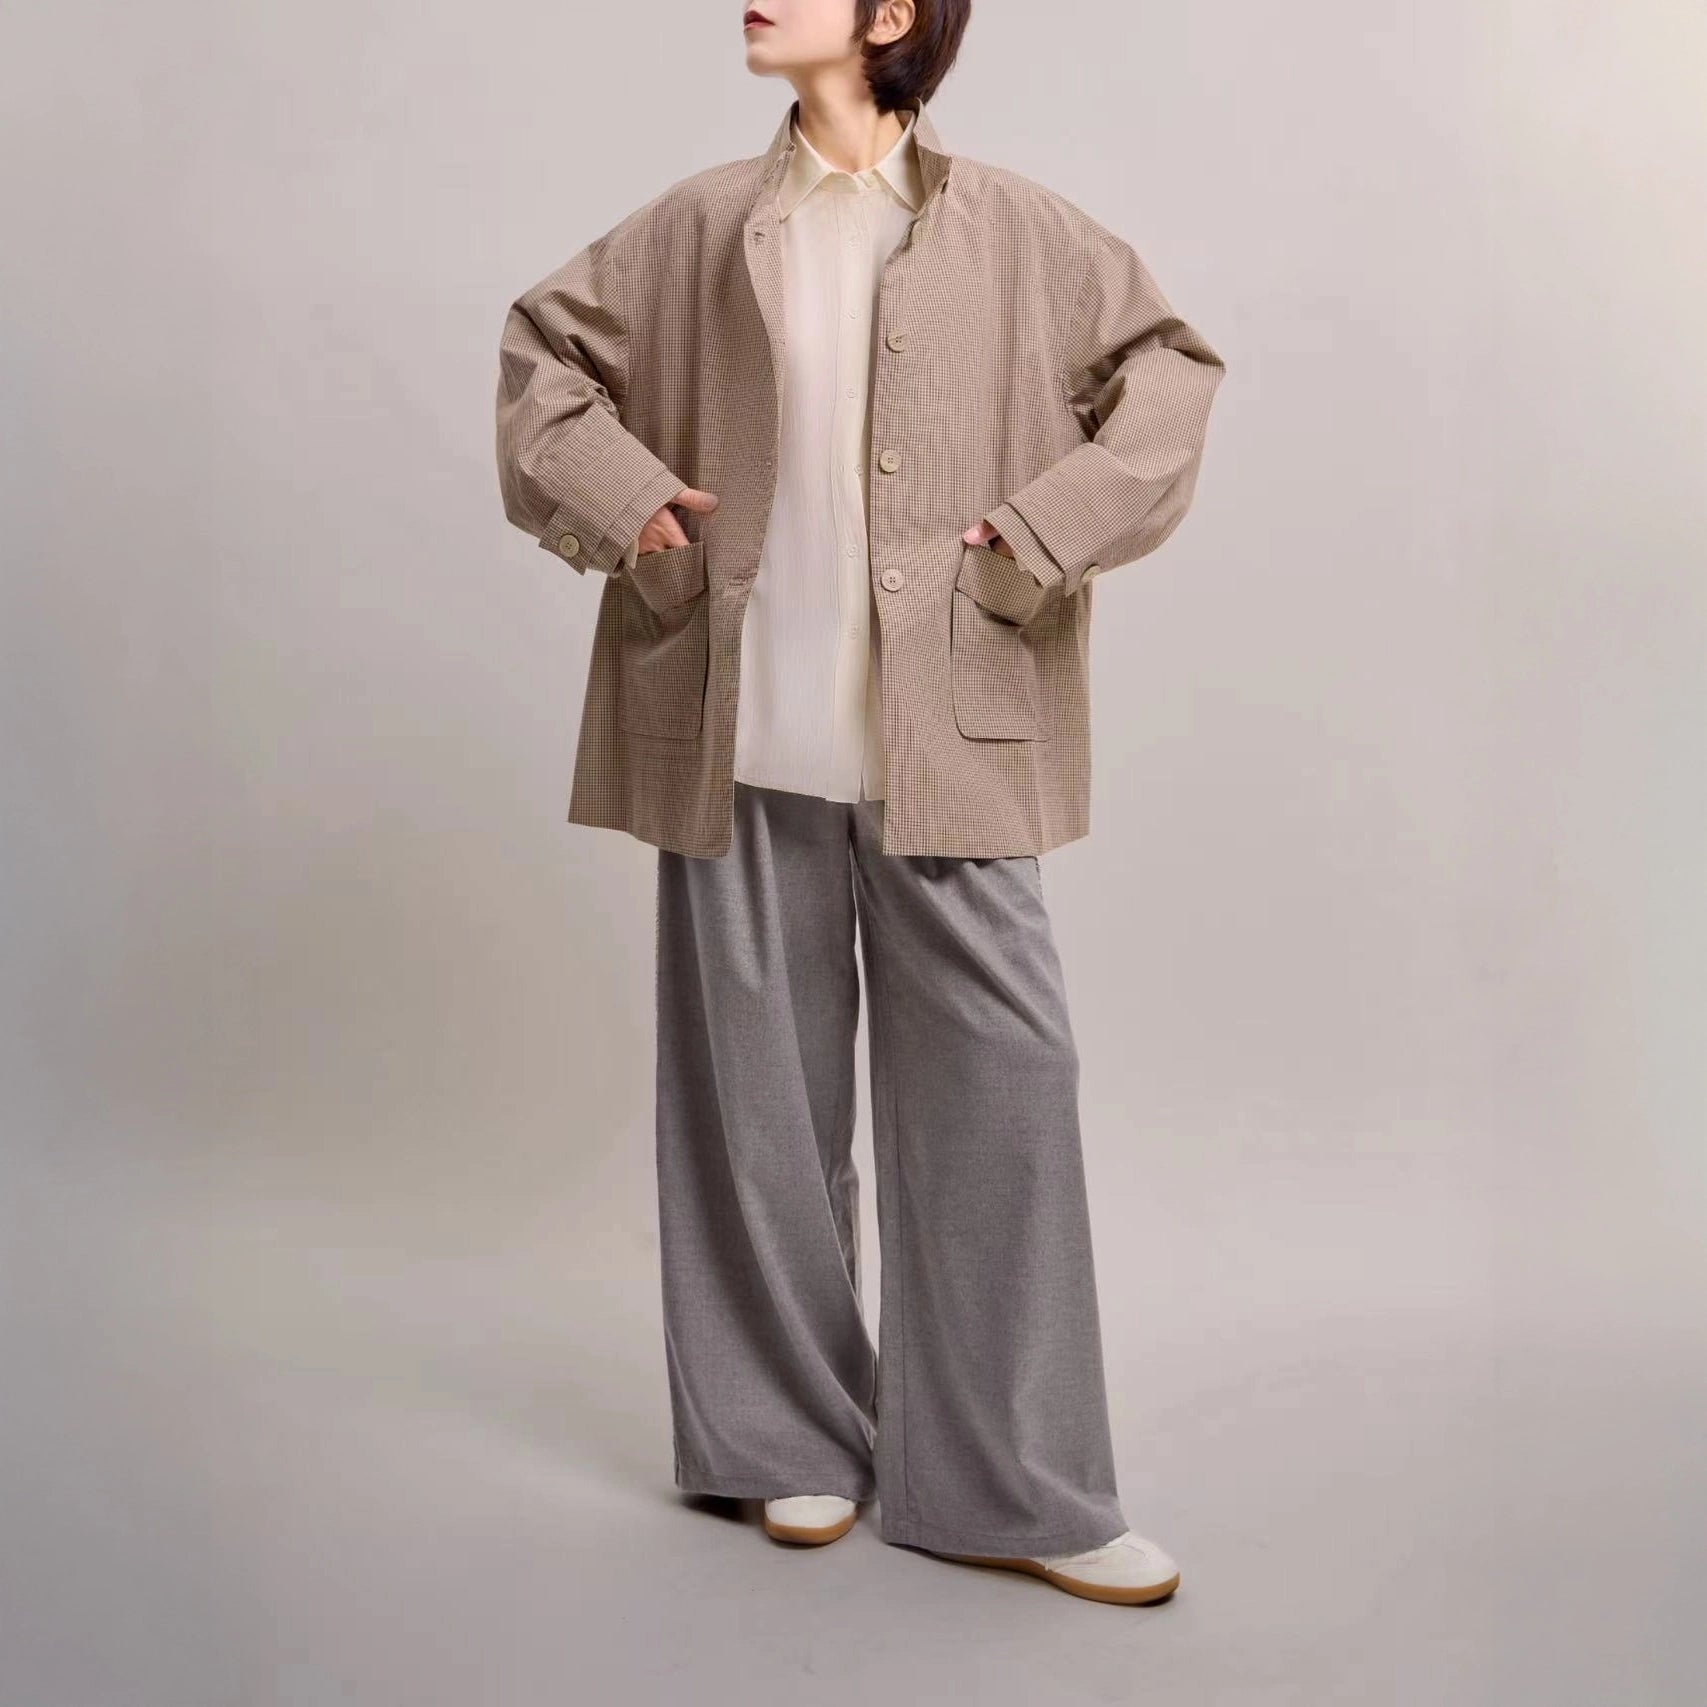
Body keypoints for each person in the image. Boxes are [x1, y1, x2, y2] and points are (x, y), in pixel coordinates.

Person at [494, 0, 1224, 1606]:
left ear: (892, 14)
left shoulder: (1022, 231)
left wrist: (1045, 532)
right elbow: (543, 357)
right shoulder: (697, 226)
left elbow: (1171, 377)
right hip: (738, 724)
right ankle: (786, 1441)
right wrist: (630, 502)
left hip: (949, 730)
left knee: (1003, 1098)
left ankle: (1014, 1482)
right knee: (757, 1112)